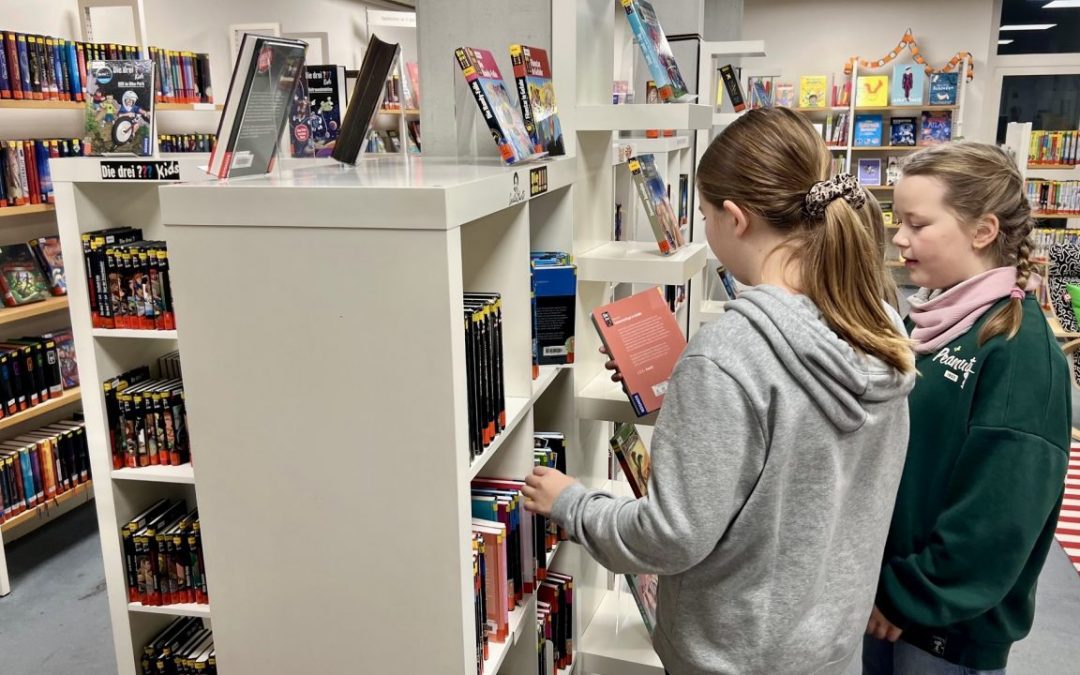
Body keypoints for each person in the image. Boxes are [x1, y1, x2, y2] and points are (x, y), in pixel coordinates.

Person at [522, 107, 916, 674]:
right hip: (827, 648)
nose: (703, 230)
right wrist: (694, 399)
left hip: (734, 658)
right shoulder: (878, 321)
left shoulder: (729, 357)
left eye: (704, 215)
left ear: (735, 218)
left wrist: (571, 503)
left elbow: (669, 539)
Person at [864, 142, 1071, 674]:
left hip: (941, 633)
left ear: (983, 231)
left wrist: (907, 593)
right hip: (891, 604)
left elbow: (999, 514)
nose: (900, 239)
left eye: (918, 224)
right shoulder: (932, 323)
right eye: (898, 221)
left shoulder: (1018, 350)